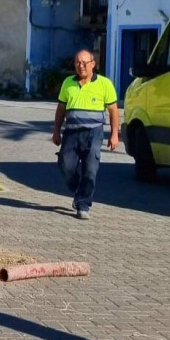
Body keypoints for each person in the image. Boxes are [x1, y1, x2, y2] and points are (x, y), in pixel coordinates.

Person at [52, 49, 119, 219]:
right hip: (71, 133)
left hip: (94, 133)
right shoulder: (68, 82)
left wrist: (114, 135)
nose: (81, 66)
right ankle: (79, 190)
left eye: (84, 63)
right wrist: (56, 131)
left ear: (93, 64)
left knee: (90, 170)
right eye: (77, 63)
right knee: (66, 166)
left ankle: (83, 205)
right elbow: (60, 109)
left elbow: (113, 111)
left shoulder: (104, 84)